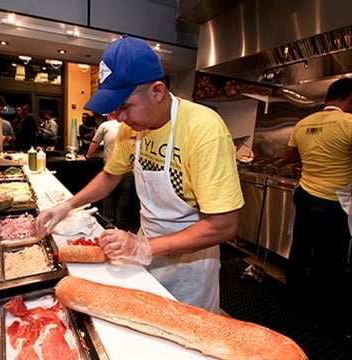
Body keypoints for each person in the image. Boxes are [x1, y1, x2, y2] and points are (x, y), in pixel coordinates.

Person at [35, 35, 244, 313]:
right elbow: (110, 176)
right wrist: (68, 205)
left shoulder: (204, 130)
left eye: (124, 106)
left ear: (157, 91)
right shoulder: (131, 130)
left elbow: (225, 225)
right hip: (143, 248)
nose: (118, 116)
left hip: (190, 263)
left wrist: (146, 247)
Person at [281, 77, 352, 334]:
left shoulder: (304, 122)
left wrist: (313, 156)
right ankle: (323, 318)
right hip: (333, 201)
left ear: (327, 97)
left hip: (304, 195)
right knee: (331, 262)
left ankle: (293, 303)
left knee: (301, 250)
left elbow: (288, 157)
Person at [85, 114, 134, 230]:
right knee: (124, 194)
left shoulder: (105, 125)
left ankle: (108, 221)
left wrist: (87, 156)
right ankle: (120, 222)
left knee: (107, 194)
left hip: (111, 166)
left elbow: (95, 143)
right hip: (128, 166)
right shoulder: (129, 125)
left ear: (108, 116)